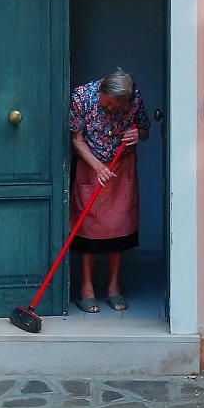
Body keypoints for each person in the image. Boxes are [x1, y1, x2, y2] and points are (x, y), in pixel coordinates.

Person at [67, 70, 149, 312]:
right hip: (91, 166)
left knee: (119, 226)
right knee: (88, 228)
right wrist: (98, 167)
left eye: (118, 105)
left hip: (121, 167)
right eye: (109, 103)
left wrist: (138, 135)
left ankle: (114, 287)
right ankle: (87, 288)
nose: (112, 108)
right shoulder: (82, 96)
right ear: (101, 89)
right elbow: (76, 139)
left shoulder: (133, 97)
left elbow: (144, 129)